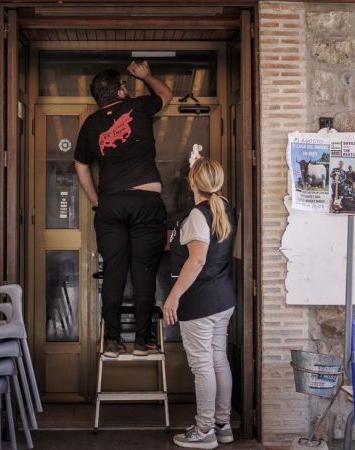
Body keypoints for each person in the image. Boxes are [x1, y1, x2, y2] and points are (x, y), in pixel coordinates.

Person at [74, 61, 173, 358]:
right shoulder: (138, 106)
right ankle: (143, 340)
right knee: (144, 272)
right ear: (119, 91)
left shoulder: (90, 124)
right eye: (125, 85)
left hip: (111, 205)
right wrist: (146, 76)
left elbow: (80, 165)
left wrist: (95, 199)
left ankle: (112, 342)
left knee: (114, 273)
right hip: (145, 203)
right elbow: (166, 94)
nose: (127, 89)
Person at [163, 158, 236, 449]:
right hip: (223, 299)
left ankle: (204, 430)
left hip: (200, 302)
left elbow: (197, 260)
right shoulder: (224, 205)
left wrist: (173, 297)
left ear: (192, 181)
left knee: (203, 365)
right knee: (218, 359)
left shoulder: (197, 215)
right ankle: (222, 424)